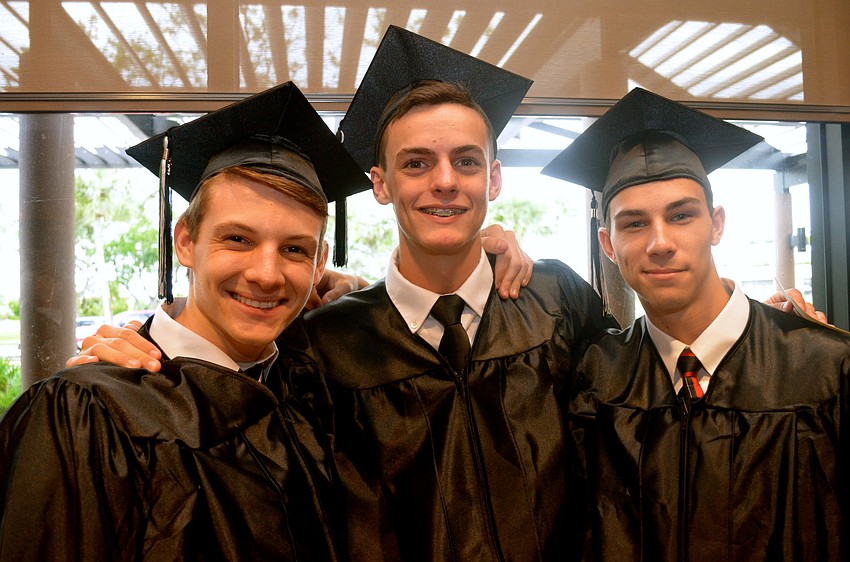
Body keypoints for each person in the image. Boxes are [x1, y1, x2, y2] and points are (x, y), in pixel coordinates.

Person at [274, 26, 614, 561]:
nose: (445, 181)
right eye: (416, 163)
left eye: (466, 161)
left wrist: (782, 331)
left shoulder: (557, 302)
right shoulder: (324, 347)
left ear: (493, 179)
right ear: (380, 184)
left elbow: (646, 406)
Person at [0, 81, 373, 560]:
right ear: (185, 242)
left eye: (294, 249)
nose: (265, 274)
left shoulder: (312, 390)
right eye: (237, 239)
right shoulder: (91, 412)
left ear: (320, 263)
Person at [543, 87, 850, 560]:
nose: (660, 243)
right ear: (608, 244)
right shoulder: (597, 378)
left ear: (717, 224)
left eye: (681, 215)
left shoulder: (825, 368)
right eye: (634, 224)